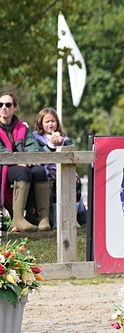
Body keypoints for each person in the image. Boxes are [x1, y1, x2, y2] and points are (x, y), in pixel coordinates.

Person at [0, 93, 52, 232]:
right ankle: (17, 219)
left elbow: (34, 146)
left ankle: (43, 218)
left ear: (14, 107)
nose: (4, 107)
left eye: (8, 104)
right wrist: (18, 161)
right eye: (1, 105)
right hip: (4, 167)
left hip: (23, 164)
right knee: (23, 171)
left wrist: (28, 159)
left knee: (39, 170)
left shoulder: (22, 128)